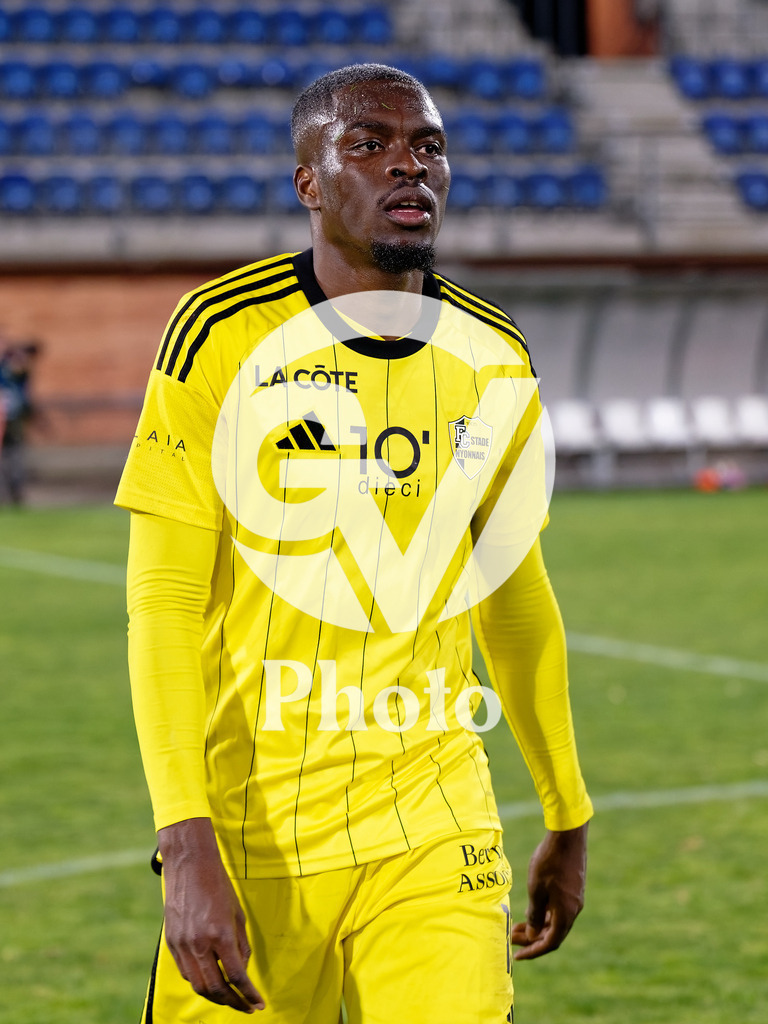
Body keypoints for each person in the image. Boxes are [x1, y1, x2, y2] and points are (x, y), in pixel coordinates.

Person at [116, 63, 593, 1024]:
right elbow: (163, 603)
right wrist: (186, 838)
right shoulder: (218, 338)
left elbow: (516, 598)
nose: (405, 167)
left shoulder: (495, 357)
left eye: (426, 146)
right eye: (367, 144)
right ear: (310, 182)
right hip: (256, 833)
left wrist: (567, 810)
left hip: (436, 822)